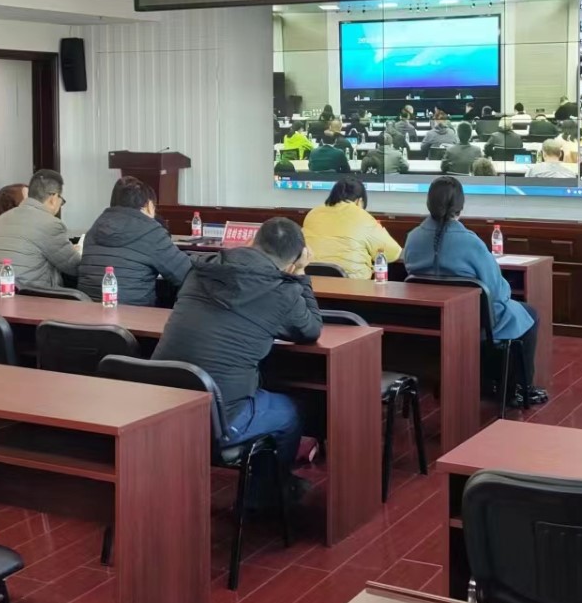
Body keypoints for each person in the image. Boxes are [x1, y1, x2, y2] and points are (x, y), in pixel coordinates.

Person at [153, 217, 322, 506]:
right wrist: (301, 274)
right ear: (294, 259)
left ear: (253, 240)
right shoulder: (281, 290)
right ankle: (265, 497)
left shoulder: (202, 269)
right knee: (291, 410)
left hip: (161, 406)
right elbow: (311, 329)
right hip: (218, 419)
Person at [403, 177, 547, 408]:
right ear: (460, 206)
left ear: (429, 203)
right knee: (529, 314)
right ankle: (520, 390)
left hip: (429, 320)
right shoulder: (470, 242)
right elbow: (496, 291)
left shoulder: (413, 238)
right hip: (474, 320)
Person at [75, 176, 196, 306]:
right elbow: (187, 275)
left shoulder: (94, 229)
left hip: (88, 313)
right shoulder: (151, 231)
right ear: (149, 206)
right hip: (134, 314)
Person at [0, 168, 81, 289]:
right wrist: (77, 253)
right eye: (62, 201)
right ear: (53, 198)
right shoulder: (51, 224)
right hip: (28, 294)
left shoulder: (2, 219)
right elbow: (74, 267)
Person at [302, 174, 401, 278]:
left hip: (312, 281)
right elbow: (393, 252)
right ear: (359, 201)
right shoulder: (362, 217)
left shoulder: (313, 213)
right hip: (353, 283)